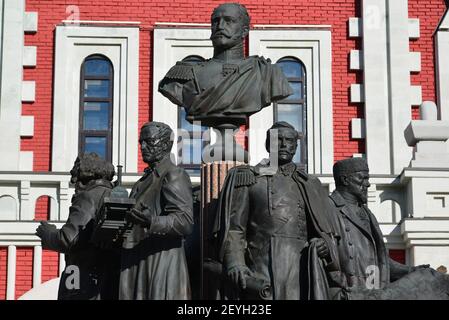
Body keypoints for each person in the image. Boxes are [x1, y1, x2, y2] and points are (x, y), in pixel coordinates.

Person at [212, 121, 340, 300]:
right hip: (262, 268)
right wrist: (236, 264)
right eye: (277, 139)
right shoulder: (250, 179)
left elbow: (325, 232)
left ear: (295, 147)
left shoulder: (310, 184)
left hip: (302, 270)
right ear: (267, 144)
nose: (283, 144)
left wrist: (324, 245)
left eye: (289, 140)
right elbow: (234, 229)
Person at [328, 158, 449, 299]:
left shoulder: (367, 214)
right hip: (349, 293)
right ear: (345, 180)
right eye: (362, 178)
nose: (367, 184)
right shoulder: (328, 208)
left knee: (430, 280)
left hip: (373, 291)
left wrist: (411, 270)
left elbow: (382, 261)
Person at [158, 2, 292, 128]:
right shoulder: (185, 74)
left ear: (244, 31)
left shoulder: (266, 73)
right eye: (216, 21)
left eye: (229, 21)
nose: (220, 26)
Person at [119, 121, 194, 300]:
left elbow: (185, 221)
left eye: (149, 141)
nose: (143, 146)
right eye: (141, 142)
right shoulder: (142, 182)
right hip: (138, 261)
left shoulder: (174, 175)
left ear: (167, 144)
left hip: (161, 264)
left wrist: (151, 221)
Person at [35, 153, 116, 300]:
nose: (73, 181)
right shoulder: (111, 194)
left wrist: (47, 234)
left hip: (81, 279)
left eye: (76, 176)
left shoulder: (88, 197)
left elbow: (69, 239)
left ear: (86, 177)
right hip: (104, 283)